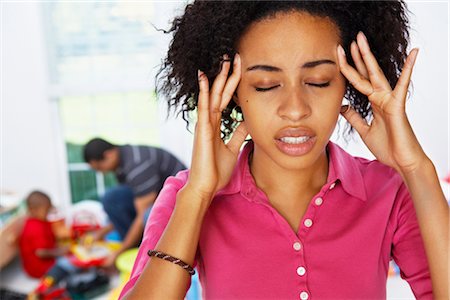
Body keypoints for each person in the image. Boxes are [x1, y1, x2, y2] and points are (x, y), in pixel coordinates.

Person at [121, 1, 449, 299]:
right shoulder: (187, 195)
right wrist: (198, 197)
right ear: (233, 92)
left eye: (319, 81)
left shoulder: (389, 191)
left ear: (347, 83)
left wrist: (417, 169)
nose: (295, 110)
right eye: (265, 85)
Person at [83, 138, 186, 266]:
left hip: (181, 201)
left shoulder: (137, 165)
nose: (102, 173)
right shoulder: (122, 161)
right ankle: (132, 247)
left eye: (99, 167)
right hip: (158, 196)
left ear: (109, 155)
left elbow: (141, 215)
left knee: (144, 213)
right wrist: (101, 233)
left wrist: (119, 252)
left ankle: (143, 254)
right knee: (112, 199)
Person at [19, 191, 79, 297]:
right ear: (33, 210)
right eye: (47, 210)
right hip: (39, 268)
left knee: (71, 259)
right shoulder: (35, 228)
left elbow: (50, 240)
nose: (49, 212)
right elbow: (41, 253)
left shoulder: (40, 221)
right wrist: (61, 251)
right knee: (71, 265)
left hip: (46, 261)